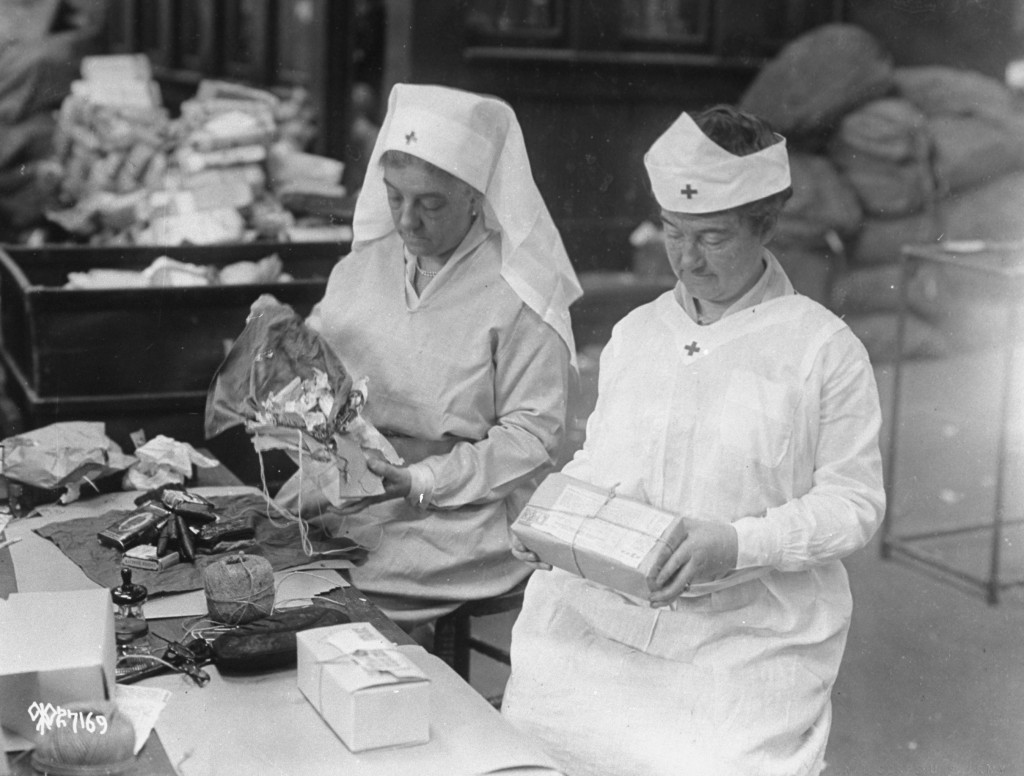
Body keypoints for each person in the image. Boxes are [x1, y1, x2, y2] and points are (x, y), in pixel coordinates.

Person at [501, 104, 885, 776]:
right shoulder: (638, 334)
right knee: (542, 726)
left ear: (764, 225)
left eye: (713, 239)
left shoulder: (821, 347)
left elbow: (855, 504)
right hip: (606, 611)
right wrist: (556, 520)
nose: (686, 259)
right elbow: (604, 459)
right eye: (674, 233)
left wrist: (737, 544)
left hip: (745, 630)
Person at [306, 83, 582, 630]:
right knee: (260, 570)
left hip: (459, 518)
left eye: (431, 203)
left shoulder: (519, 291)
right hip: (347, 492)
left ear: (477, 197)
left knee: (325, 609)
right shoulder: (365, 266)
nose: (407, 221)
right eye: (394, 196)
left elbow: (533, 437)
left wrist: (422, 480)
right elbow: (317, 366)